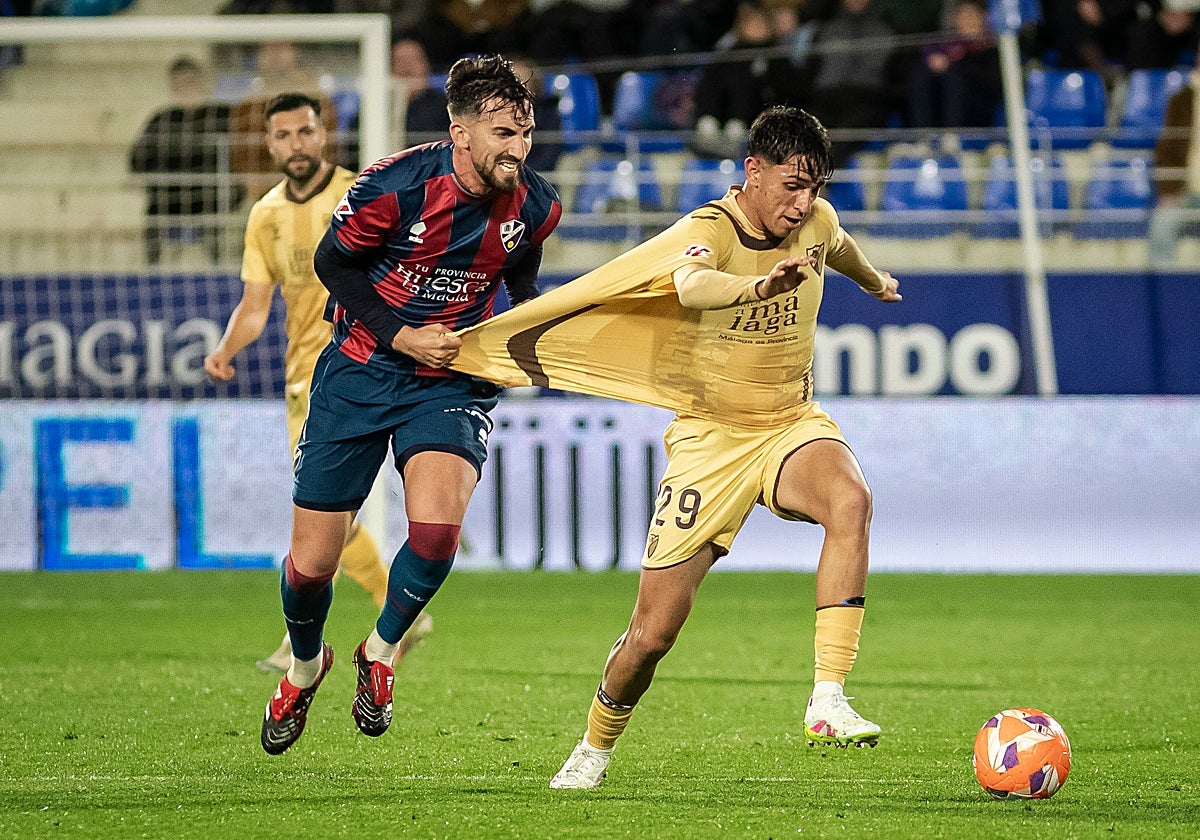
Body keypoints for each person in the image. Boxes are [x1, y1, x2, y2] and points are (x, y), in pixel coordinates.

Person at [447, 105, 901, 788]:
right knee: (651, 636)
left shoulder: (816, 223)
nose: (802, 202)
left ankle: (828, 697)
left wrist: (874, 281)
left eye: (814, 187)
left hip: (788, 423)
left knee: (852, 499)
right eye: (790, 185)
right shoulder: (709, 229)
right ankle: (594, 747)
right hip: (710, 441)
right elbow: (690, 285)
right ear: (752, 172)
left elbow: (838, 247)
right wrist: (755, 285)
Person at [257, 55, 562, 755]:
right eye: (503, 133)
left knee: (433, 535)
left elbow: (520, 279)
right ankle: (305, 669)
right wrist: (401, 333)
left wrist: (535, 343)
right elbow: (332, 264)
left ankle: (381, 655)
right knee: (311, 568)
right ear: (460, 133)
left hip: (449, 381)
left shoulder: (536, 205)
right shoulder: (394, 187)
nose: (517, 148)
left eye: (526, 133)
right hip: (360, 371)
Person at [203, 92, 432, 673]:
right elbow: (256, 306)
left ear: (322, 133)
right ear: (270, 143)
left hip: (371, 365)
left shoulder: (363, 194)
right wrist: (227, 349)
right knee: (323, 514)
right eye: (283, 136)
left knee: (323, 515)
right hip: (306, 380)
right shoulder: (265, 216)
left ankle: (348, 617)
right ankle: (351, 618)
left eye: (304, 132)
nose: (295, 145)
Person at [129, 56, 242, 266]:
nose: (186, 89)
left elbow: (242, 152)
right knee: (154, 214)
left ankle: (217, 267)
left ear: (201, 82)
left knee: (217, 209)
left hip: (212, 194)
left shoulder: (222, 115)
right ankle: (152, 271)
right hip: (170, 197)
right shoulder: (161, 119)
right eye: (179, 84)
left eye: (190, 82)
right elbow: (137, 160)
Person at [1149, 56, 1200, 269]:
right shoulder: (1181, 100)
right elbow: (1166, 150)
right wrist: (1168, 192)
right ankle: (1165, 293)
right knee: (1162, 223)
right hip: (1186, 191)